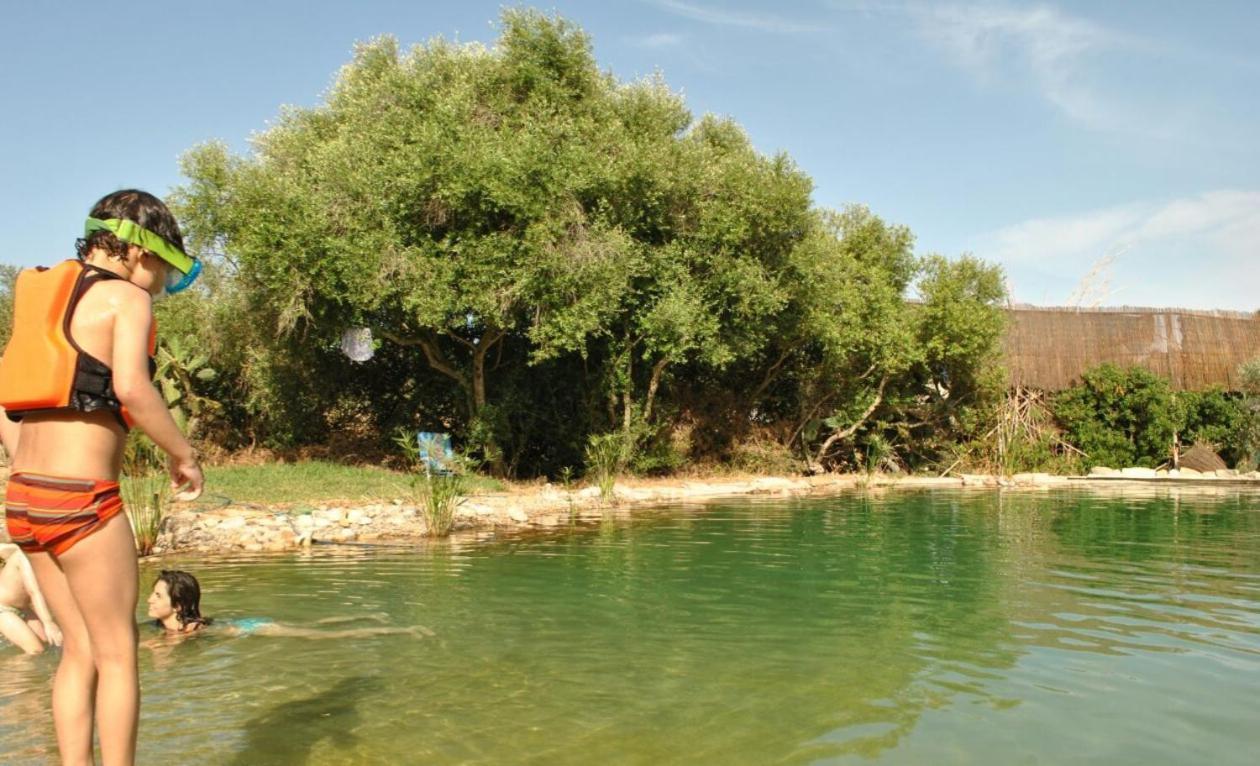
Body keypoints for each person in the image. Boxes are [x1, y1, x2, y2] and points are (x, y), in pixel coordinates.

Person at [0, 189, 204, 766]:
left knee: (79, 652)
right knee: (119, 653)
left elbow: (6, 400)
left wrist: (32, 467)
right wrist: (182, 454)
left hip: (25, 499)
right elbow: (134, 391)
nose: (161, 281)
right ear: (140, 251)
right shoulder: (125, 299)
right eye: (164, 267)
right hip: (82, 500)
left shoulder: (43, 298)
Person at [146, 569, 433, 640]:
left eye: (157, 596)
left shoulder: (188, 630)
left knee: (322, 636)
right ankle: (369, 615)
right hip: (250, 624)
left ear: (179, 605)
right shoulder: (172, 625)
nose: (149, 599)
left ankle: (402, 629)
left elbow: (168, 651)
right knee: (313, 625)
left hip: (260, 628)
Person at [0, 542, 62, 653]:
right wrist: (49, 623)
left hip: (23, 608)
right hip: (3, 609)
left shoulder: (43, 555)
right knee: (35, 650)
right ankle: (9, 669)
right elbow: (34, 591)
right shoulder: (24, 557)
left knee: (48, 644)